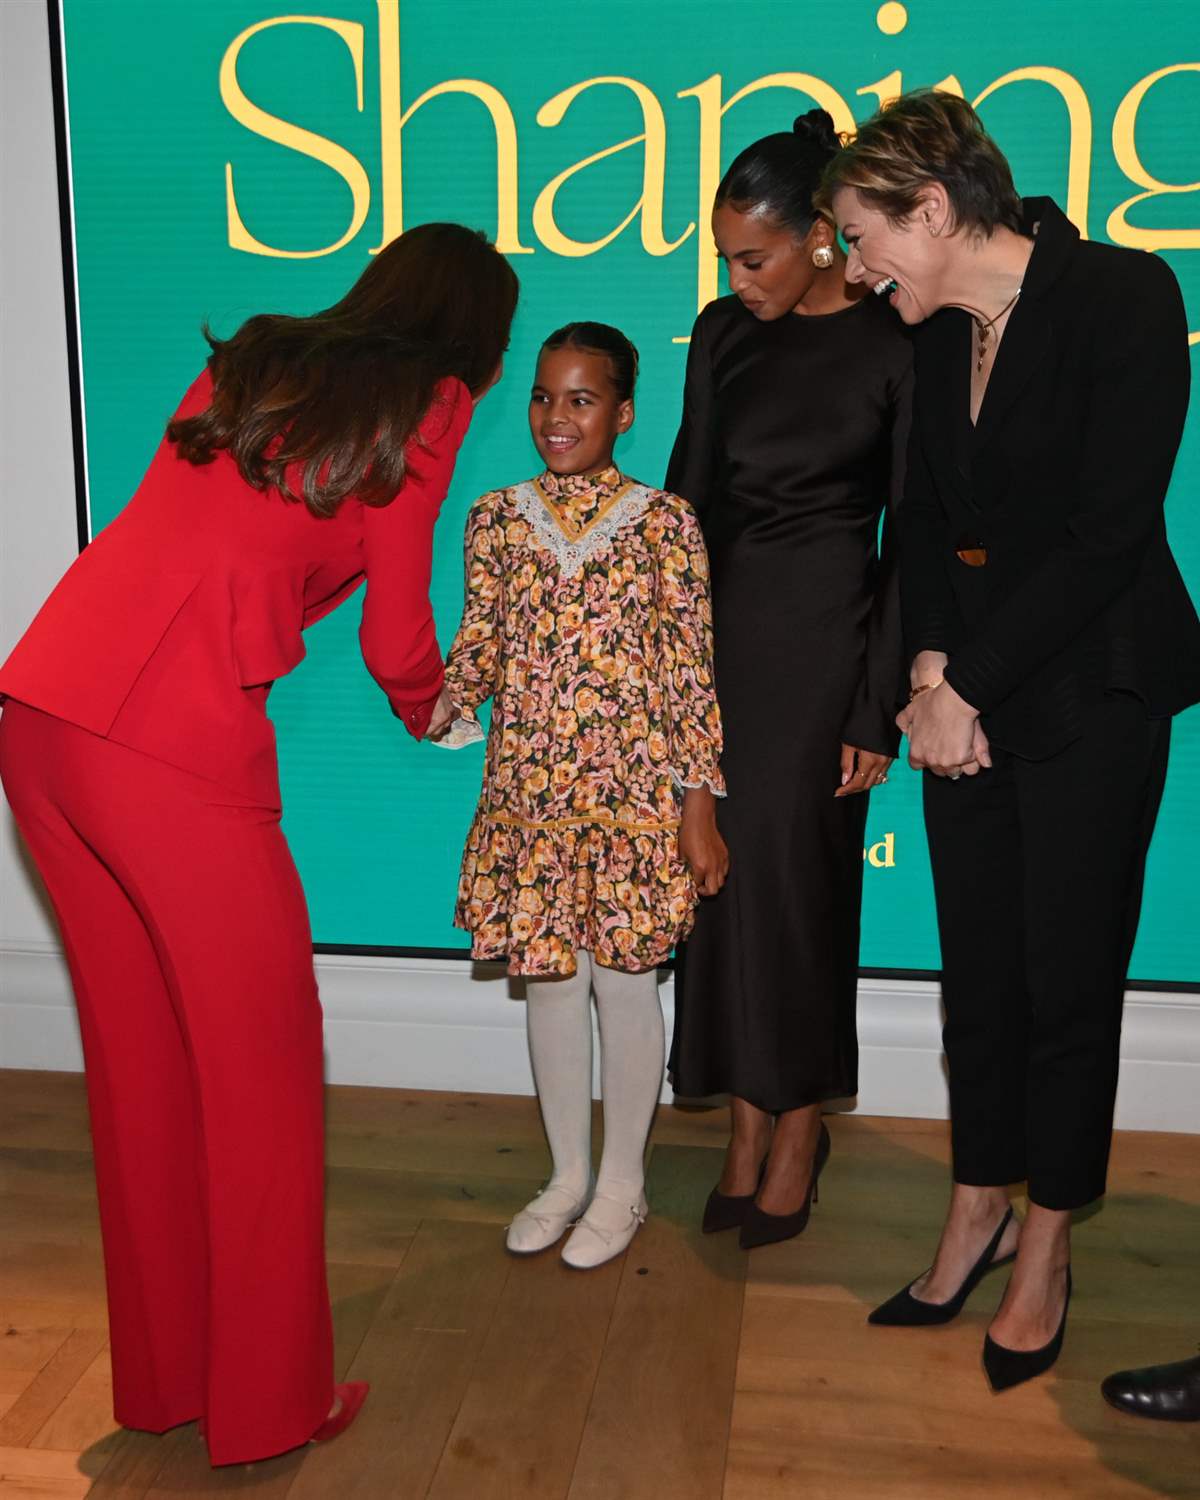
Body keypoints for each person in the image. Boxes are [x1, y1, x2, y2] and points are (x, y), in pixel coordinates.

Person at [0, 223, 518, 1462]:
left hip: (43, 713)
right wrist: (448, 718)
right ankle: (271, 1404)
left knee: (143, 1068)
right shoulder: (431, 401)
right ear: (481, 348)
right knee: (263, 1079)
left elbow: (185, 531)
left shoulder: (260, 358)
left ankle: (167, 1383)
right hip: (171, 752)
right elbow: (397, 633)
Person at [822, 90, 1199, 1391]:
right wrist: (930, 671)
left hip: (1094, 688)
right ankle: (977, 1200)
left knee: (1065, 981)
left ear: (935, 210)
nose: (855, 270)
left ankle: (1050, 1238)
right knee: (981, 973)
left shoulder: (1124, 297)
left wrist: (962, 685)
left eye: (863, 237)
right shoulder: (934, 332)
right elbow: (920, 519)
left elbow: (1110, 534)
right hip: (964, 695)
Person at [665, 110, 912, 1250]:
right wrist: (665, 668)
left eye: (750, 256)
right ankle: (744, 1125)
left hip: (825, 652)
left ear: (822, 234)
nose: (734, 277)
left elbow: (910, 537)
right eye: (722, 257)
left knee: (800, 896)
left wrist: (877, 703)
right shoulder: (722, 335)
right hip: (718, 647)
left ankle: (798, 1126)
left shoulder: (894, 340)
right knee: (720, 890)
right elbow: (685, 507)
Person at [438, 321, 727, 1269]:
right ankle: (567, 1176)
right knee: (551, 985)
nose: (557, 418)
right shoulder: (494, 516)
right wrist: (432, 698)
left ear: (624, 411)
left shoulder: (665, 523)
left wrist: (698, 805)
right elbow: (479, 643)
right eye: (544, 397)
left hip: (635, 799)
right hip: (528, 793)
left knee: (624, 982)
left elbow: (689, 673)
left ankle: (623, 1184)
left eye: (581, 399)